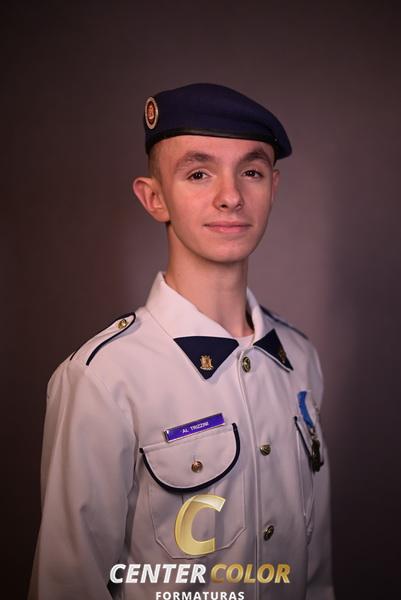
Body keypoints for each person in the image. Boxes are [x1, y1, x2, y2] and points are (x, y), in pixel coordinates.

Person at [29, 83, 335, 600]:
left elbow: (316, 577)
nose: (231, 196)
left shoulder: (298, 359)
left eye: (252, 172)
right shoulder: (104, 378)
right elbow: (68, 586)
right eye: (198, 173)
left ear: (273, 187)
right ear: (154, 198)